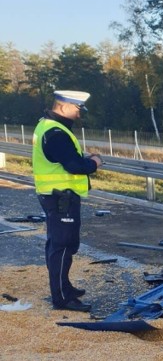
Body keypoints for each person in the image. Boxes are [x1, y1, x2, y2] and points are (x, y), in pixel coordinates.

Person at [32, 90, 103, 312]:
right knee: (62, 246)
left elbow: (62, 158)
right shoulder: (56, 132)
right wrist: (94, 163)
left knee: (60, 244)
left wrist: (81, 157)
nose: (79, 114)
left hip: (55, 195)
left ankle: (64, 288)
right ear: (63, 107)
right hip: (61, 196)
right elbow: (73, 166)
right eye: (77, 108)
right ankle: (62, 298)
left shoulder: (47, 126)